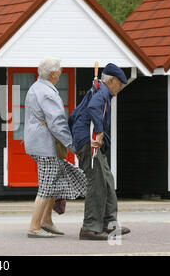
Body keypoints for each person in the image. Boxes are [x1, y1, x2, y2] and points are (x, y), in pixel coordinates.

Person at [24, 57, 87, 238]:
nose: (61, 72)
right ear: (54, 74)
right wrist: (72, 145)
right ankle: (34, 226)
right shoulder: (47, 93)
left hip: (37, 143)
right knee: (46, 186)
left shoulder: (36, 87)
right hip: (45, 146)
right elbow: (57, 123)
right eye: (60, 70)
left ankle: (47, 221)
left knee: (54, 181)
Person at [70, 63, 131, 240]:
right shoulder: (102, 92)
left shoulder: (95, 90)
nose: (120, 88)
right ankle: (89, 228)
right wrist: (99, 132)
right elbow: (92, 109)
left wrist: (76, 142)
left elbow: (74, 116)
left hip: (87, 141)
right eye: (119, 84)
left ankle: (109, 224)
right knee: (97, 184)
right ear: (111, 80)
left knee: (107, 181)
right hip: (91, 142)